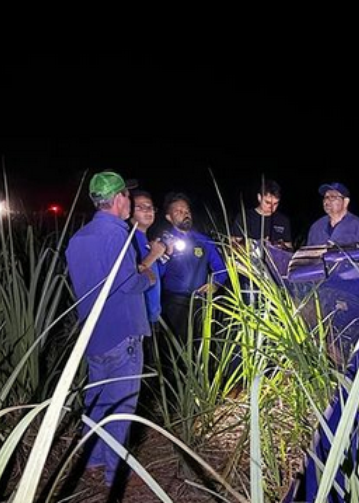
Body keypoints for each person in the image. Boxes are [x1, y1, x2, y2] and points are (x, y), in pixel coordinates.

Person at [65, 171, 157, 487]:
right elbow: (127, 283)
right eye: (128, 196)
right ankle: (113, 472)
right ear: (118, 199)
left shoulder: (78, 238)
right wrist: (148, 278)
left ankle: (91, 459)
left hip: (93, 336)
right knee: (121, 404)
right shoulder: (117, 234)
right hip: (122, 334)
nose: (130, 202)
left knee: (97, 400)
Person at [159, 192, 227, 342]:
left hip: (199, 302)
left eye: (187, 211)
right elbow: (157, 273)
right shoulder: (163, 242)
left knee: (200, 346)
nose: (185, 214)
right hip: (173, 303)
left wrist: (215, 284)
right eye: (178, 211)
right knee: (175, 348)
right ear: (169, 217)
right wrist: (166, 254)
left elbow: (221, 268)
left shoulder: (204, 241)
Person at [129, 189, 166, 327]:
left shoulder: (148, 240)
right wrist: (153, 255)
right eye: (140, 207)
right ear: (129, 211)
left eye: (150, 207)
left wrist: (165, 256)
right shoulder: (128, 240)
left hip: (152, 314)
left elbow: (157, 275)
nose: (147, 211)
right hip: (137, 317)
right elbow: (128, 277)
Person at [307, 182, 359, 246]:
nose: (327, 201)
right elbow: (307, 255)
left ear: (346, 202)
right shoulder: (316, 227)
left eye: (333, 197)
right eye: (326, 197)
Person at [231, 178, 293, 249]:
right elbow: (232, 244)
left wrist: (282, 247)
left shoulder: (283, 221)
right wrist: (255, 245)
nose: (271, 207)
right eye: (267, 202)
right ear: (259, 197)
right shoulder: (244, 217)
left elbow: (289, 248)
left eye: (275, 203)